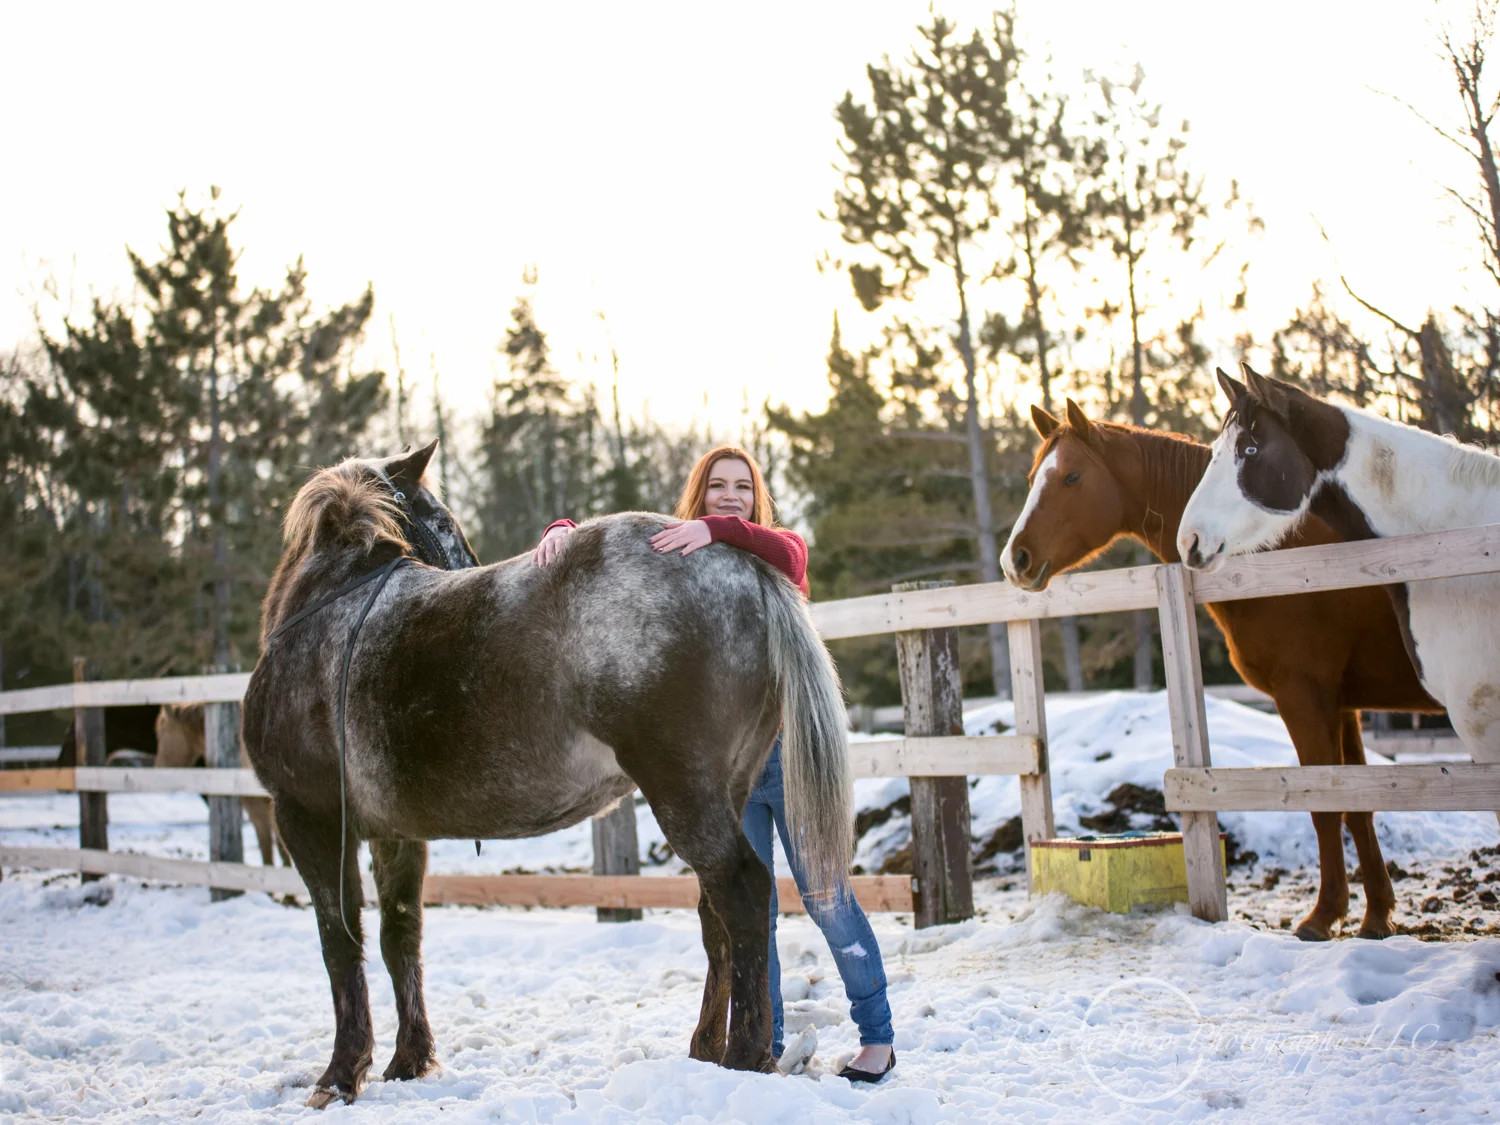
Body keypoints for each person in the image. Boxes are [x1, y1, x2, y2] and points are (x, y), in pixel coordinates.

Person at [533, 445, 896, 1082]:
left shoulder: (774, 552)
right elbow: (615, 559)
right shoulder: (677, 558)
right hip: (727, 770)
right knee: (749, 909)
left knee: (827, 898)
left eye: (743, 488)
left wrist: (717, 530)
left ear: (757, 499)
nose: (731, 496)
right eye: (718, 488)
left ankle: (878, 1038)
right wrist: (566, 534)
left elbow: (793, 554)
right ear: (697, 493)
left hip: (790, 760)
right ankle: (768, 1037)